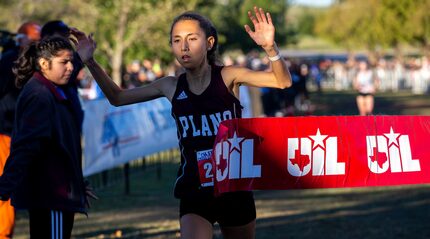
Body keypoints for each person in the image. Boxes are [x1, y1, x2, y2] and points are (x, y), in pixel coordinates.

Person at [72, 6, 291, 239]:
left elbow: (282, 82)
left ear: (209, 43)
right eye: (176, 40)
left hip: (233, 186)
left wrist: (270, 48)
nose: (184, 47)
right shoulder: (170, 85)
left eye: (192, 39)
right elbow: (117, 98)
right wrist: (91, 62)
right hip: (195, 188)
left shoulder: (228, 76)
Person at [0, 36, 97, 238]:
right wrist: (4, 187)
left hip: (56, 194)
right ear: (44, 64)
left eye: (72, 61)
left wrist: (76, 184)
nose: (70, 67)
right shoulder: (40, 95)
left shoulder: (50, 89)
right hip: (52, 195)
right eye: (64, 62)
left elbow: (57, 146)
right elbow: (27, 146)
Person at [0, 21, 41, 239]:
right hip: (5, 134)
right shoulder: (9, 61)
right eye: (33, 41)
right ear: (20, 40)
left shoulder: (34, 63)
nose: (37, 45)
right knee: (6, 184)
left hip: (21, 134)